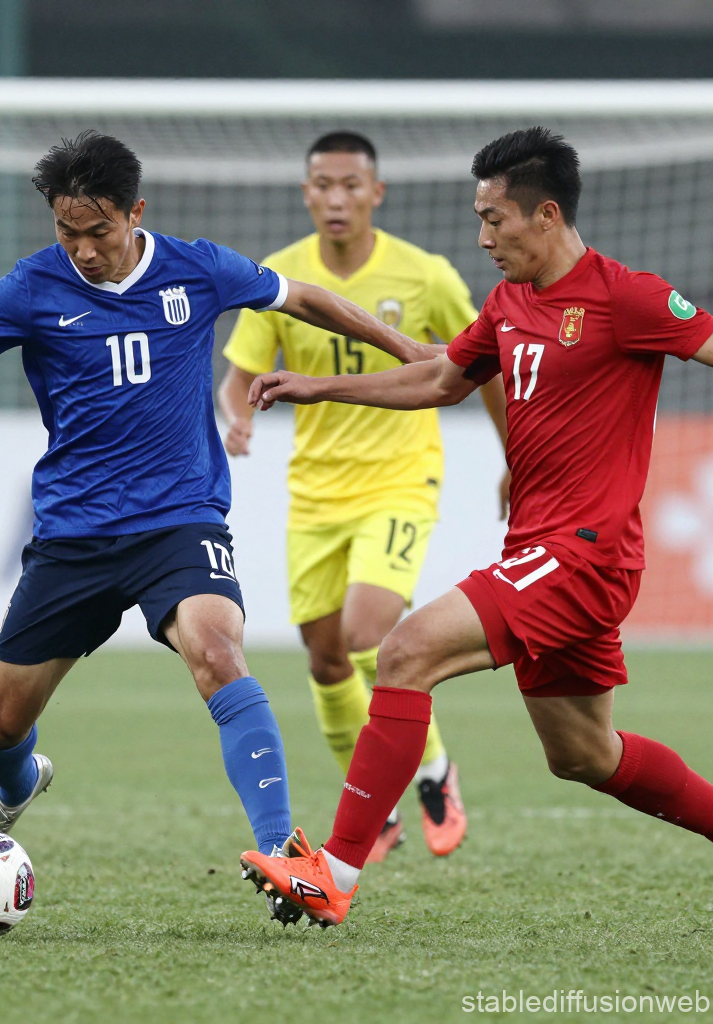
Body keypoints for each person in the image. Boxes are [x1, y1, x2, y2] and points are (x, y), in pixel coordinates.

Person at [0, 132, 436, 908]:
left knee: (219, 653)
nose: (84, 251)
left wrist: (405, 348)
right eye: (68, 232)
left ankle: (283, 854)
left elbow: (306, 299)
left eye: (99, 231)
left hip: (179, 520)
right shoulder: (30, 287)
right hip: (75, 536)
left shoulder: (198, 268)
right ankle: (18, 785)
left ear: (135, 213)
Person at [239, 127, 713, 933]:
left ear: (547, 215)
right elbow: (439, 378)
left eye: (494, 219)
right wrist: (320, 387)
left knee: (403, 651)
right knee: (584, 754)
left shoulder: (627, 297)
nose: (483, 237)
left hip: (585, 557)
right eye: (480, 220)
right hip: (538, 551)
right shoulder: (508, 302)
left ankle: (334, 872)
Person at [219, 130, 508, 863]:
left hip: (400, 479)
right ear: (306, 193)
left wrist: (516, 456)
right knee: (325, 662)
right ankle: (378, 811)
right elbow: (239, 374)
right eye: (324, 185)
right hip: (316, 492)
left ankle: (433, 772)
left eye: (351, 185)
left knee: (364, 632)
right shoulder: (278, 278)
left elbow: (487, 362)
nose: (337, 198)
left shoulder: (425, 275)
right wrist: (237, 417)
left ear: (376, 192)